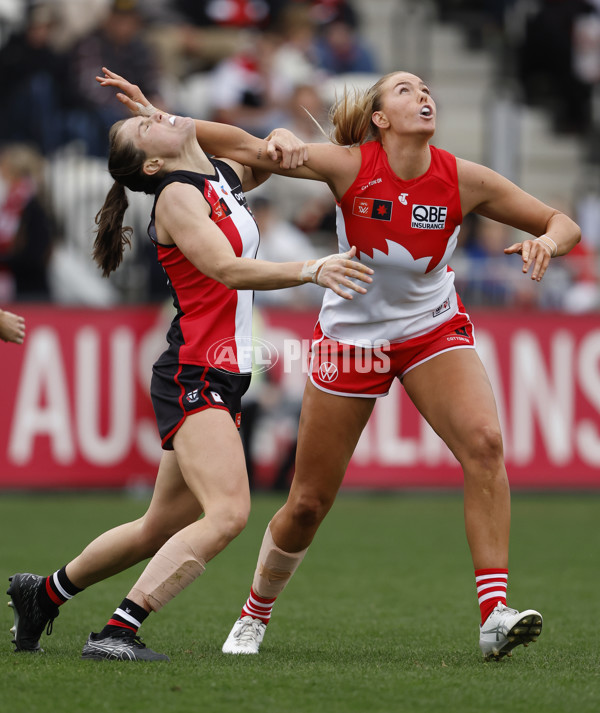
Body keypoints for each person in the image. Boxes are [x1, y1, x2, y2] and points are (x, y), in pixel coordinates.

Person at [109, 67, 582, 661]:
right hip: (350, 338)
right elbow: (240, 146)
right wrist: (169, 121)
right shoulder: (348, 163)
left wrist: (548, 243)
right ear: (380, 120)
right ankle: (255, 611)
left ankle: (493, 615)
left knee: (485, 444)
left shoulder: (464, 178)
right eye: (406, 90)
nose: (425, 95)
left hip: (431, 328)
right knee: (308, 503)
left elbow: (563, 224)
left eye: (427, 89)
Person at [6, 70, 373, 661]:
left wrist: (276, 140)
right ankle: (119, 631)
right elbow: (228, 269)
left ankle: (43, 594)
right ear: (150, 167)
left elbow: (254, 151)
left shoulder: (217, 174)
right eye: (145, 128)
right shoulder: (177, 196)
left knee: (157, 527)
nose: (158, 118)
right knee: (229, 512)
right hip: (193, 372)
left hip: (219, 373)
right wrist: (310, 268)